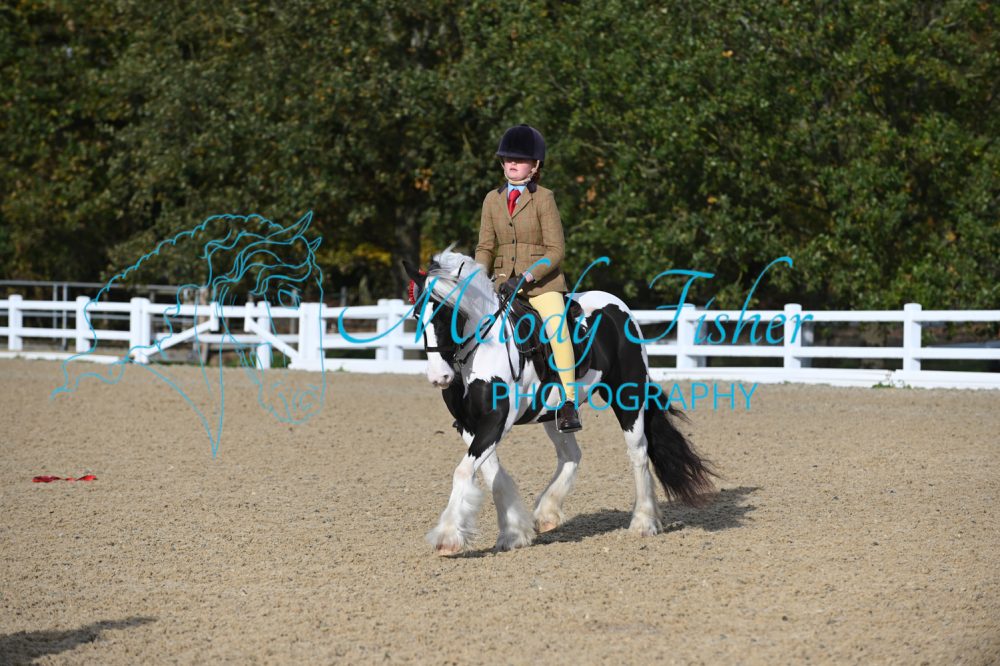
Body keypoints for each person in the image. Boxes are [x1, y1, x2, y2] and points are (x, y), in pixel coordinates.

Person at [474, 124, 582, 433]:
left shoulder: (544, 198)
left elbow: (556, 249)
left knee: (557, 329)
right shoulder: (491, 199)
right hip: (501, 283)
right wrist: (476, 279)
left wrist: (527, 276)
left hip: (541, 285)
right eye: (508, 158)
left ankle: (568, 402)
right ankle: (470, 396)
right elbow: (485, 247)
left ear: (534, 166)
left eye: (519, 159)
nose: (512, 163)